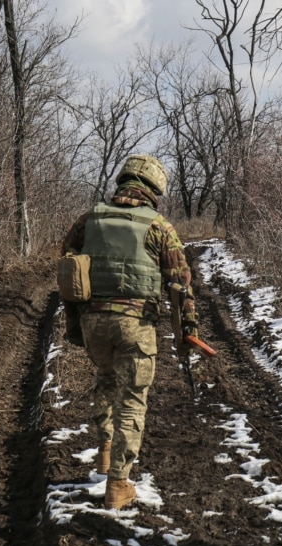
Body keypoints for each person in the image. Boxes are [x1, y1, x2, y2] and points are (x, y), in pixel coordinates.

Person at [60, 154, 198, 510]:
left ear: (122, 181)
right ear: (154, 189)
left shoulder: (89, 219)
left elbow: (68, 260)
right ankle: (118, 484)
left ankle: (105, 455)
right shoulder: (159, 227)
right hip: (136, 326)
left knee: (106, 380)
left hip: (94, 324)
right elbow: (181, 283)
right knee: (132, 400)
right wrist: (187, 330)